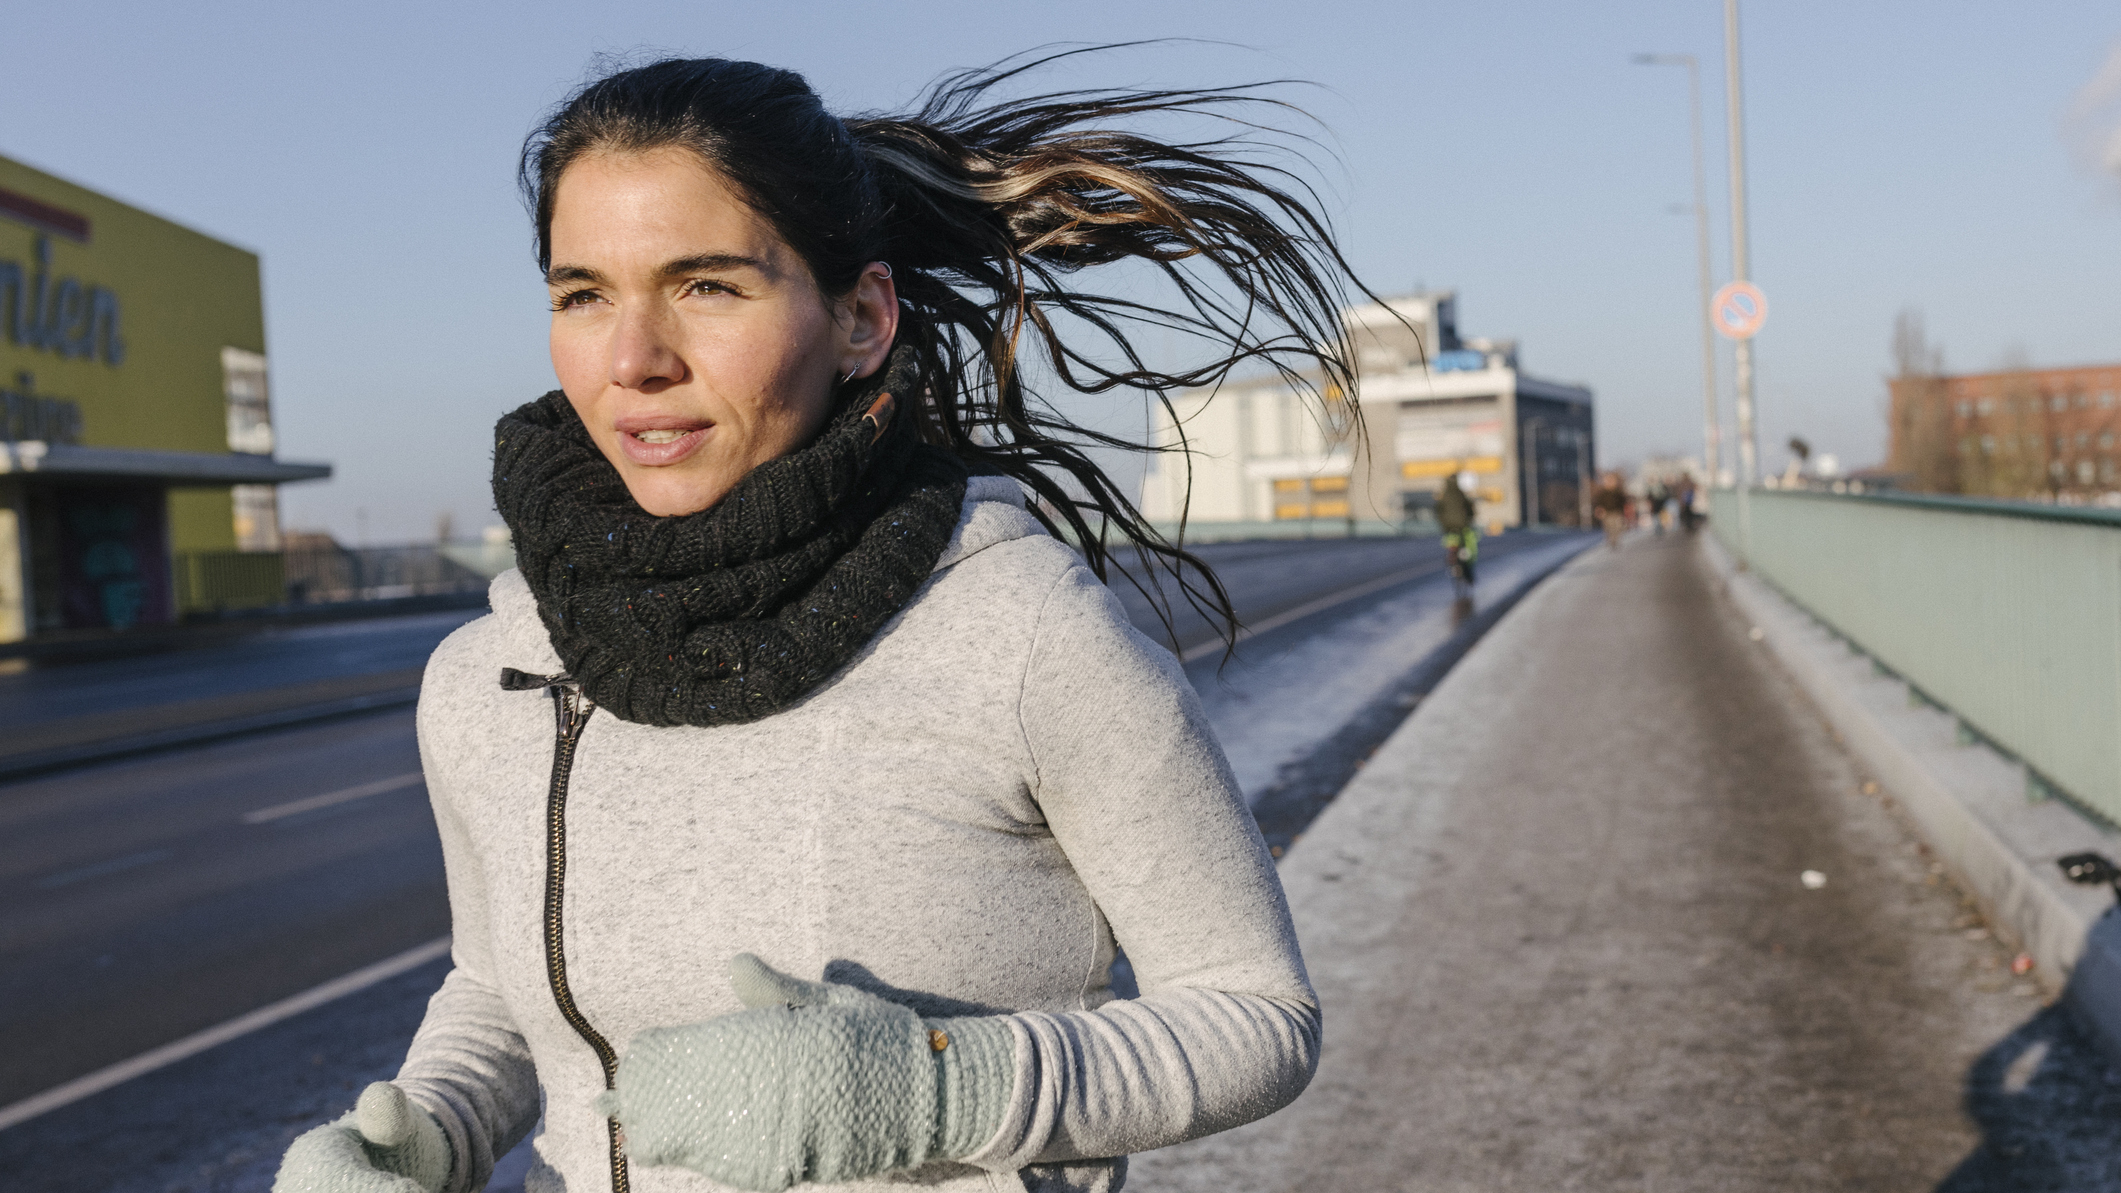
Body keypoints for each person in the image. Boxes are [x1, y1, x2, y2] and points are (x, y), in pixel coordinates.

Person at [274, 53, 1373, 1193]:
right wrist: (429, 1134)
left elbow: (1256, 1013)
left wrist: (941, 1085)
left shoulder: (1025, 632)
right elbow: (500, 989)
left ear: (860, 317)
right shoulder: (489, 675)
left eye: (707, 286)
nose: (634, 359)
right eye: (583, 293)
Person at [1436, 469, 1477, 588]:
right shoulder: (1460, 493)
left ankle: (1451, 561)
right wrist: (1470, 518)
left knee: (1450, 545)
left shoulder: (1443, 495)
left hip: (1447, 527)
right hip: (1462, 525)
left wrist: (1443, 522)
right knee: (1467, 547)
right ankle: (1465, 566)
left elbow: (1438, 510)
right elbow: (1469, 508)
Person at [1591, 471, 1629, 550]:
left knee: (1618, 527)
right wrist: (1599, 510)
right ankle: (1611, 540)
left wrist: (1625, 510)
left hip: (1617, 512)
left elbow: (1624, 501)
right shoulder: (1603, 493)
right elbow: (1598, 503)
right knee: (1609, 527)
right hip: (1607, 513)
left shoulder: (1618, 492)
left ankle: (1615, 540)